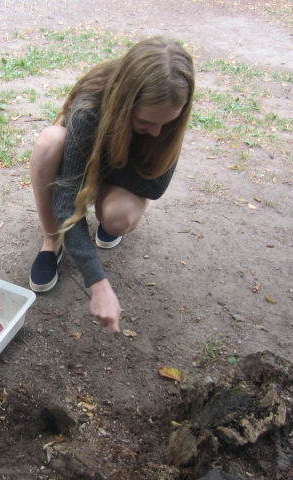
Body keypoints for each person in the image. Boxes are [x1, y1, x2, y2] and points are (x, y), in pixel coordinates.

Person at [28, 37, 195, 334]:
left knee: (119, 217)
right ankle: (52, 241)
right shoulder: (90, 108)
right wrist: (98, 282)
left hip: (109, 168)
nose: (157, 133)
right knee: (49, 143)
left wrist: (98, 173)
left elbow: (155, 186)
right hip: (89, 159)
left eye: (167, 123)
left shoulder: (168, 117)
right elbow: (67, 202)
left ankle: (107, 215)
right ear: (124, 102)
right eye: (145, 121)